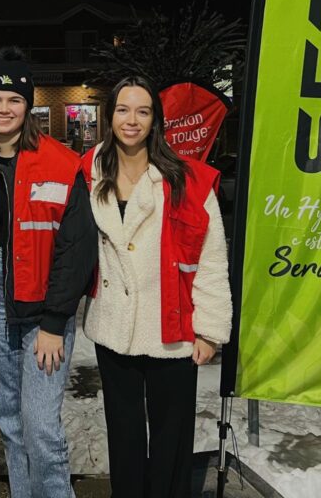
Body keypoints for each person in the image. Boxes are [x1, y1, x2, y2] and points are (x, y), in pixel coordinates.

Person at [81, 75, 232, 498]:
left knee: (172, 436)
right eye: (123, 110)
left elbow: (211, 259)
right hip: (113, 327)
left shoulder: (188, 180)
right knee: (124, 435)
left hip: (173, 327)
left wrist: (210, 330)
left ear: (156, 120)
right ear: (109, 116)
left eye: (143, 111)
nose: (132, 120)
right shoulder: (89, 172)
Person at [0, 50, 97, 498]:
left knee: (40, 428)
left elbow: (77, 250)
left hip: (44, 308)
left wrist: (54, 323)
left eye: (14, 99)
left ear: (28, 106)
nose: (4, 108)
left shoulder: (61, 162)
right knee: (8, 424)